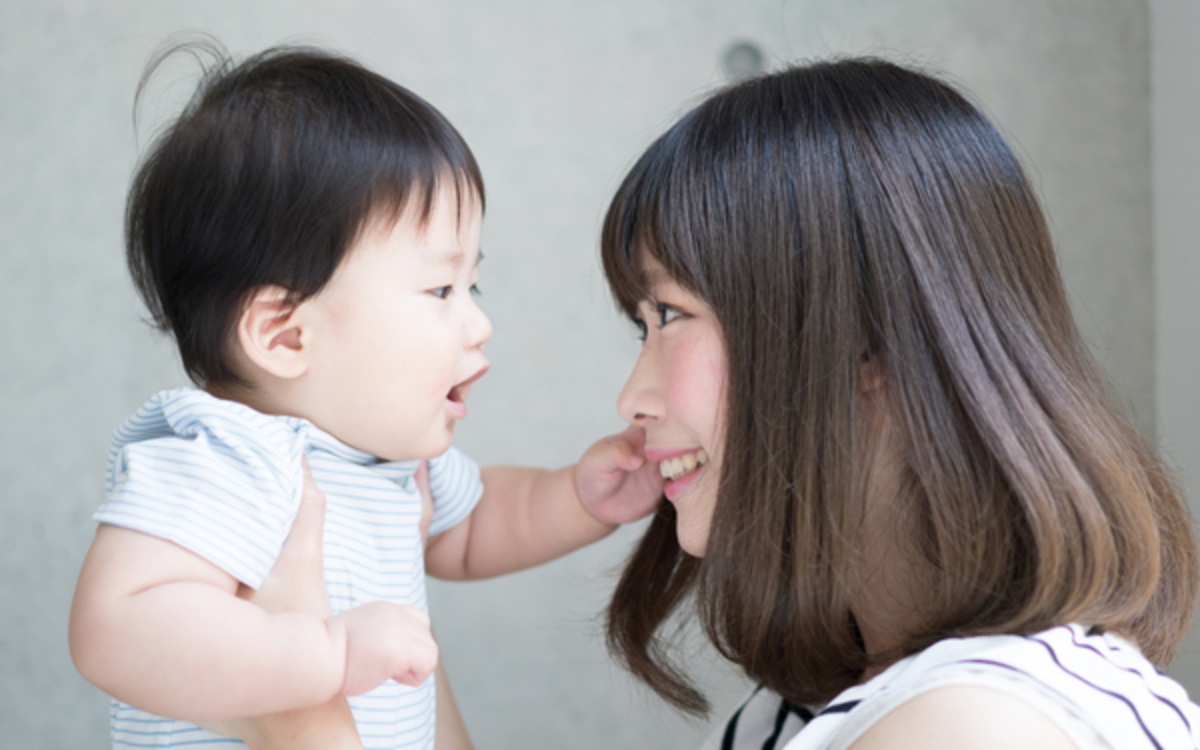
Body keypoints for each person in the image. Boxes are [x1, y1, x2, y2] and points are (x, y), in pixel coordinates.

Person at [208, 57, 1200, 750]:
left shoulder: (981, 731)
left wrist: (299, 719)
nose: (631, 395)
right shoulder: (834, 705)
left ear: (863, 340)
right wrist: (371, 615)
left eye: (669, 316)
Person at [67, 41, 661, 750]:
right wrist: (324, 656)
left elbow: (470, 530)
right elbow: (117, 625)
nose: (478, 322)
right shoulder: (226, 456)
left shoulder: (384, 460)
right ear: (286, 336)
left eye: (472, 286)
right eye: (440, 289)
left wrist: (577, 498)